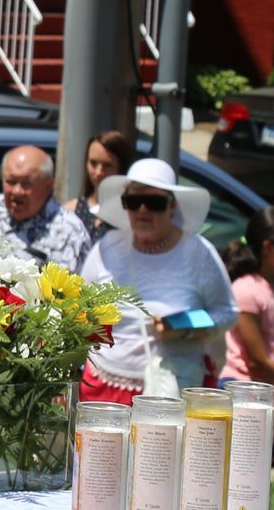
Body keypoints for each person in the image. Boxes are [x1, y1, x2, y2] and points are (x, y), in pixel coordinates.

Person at [78, 158, 238, 404]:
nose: (143, 210)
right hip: (105, 385)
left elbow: (227, 312)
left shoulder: (198, 252)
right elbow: (80, 306)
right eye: (133, 202)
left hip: (174, 387)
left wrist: (184, 328)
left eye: (154, 202)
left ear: (172, 206)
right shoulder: (107, 248)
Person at [219, 205, 274, 452]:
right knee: (240, 462)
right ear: (268, 247)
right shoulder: (246, 289)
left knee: (263, 461)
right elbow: (256, 359)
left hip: (273, 392)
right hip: (242, 390)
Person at [0, 146, 90, 271]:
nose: (17, 191)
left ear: (48, 186)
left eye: (26, 183)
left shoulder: (70, 231)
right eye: (11, 181)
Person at [63, 130, 136, 243]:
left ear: (121, 167)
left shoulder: (132, 215)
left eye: (107, 165)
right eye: (93, 163)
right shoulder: (70, 211)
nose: (98, 172)